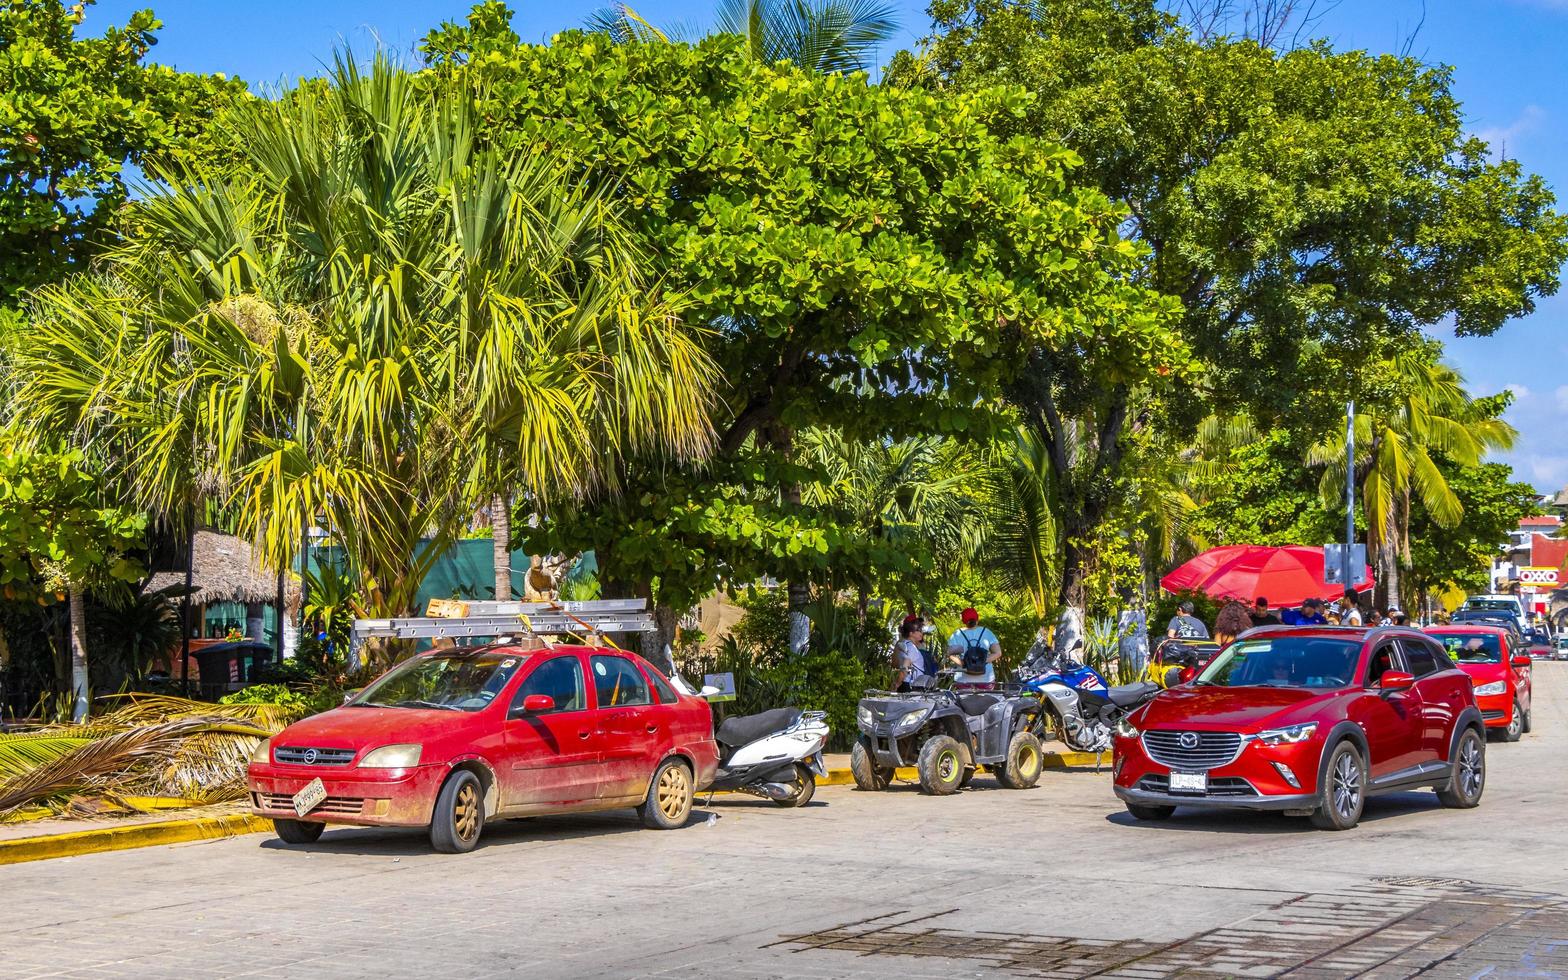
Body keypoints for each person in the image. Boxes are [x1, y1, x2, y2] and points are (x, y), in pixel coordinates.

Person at [948, 607, 1002, 690]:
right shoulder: (987, 632)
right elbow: (998, 653)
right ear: (977, 619)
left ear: (964, 621)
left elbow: (950, 654)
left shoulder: (957, 634)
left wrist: (964, 663)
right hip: (986, 678)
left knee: (964, 702)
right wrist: (981, 661)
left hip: (963, 678)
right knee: (986, 702)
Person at [892, 620, 937, 692]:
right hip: (912, 687)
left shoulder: (908, 645)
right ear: (911, 633)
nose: (921, 633)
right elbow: (905, 669)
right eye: (918, 630)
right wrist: (897, 684)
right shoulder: (910, 647)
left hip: (913, 685)